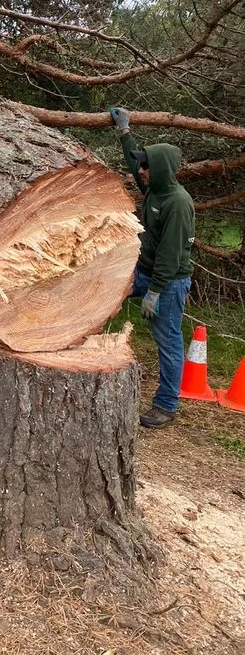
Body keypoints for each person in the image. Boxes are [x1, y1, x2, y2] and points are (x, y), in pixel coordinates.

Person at [110, 106, 195, 429]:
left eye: (147, 166)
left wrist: (154, 292)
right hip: (143, 272)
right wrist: (124, 131)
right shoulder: (154, 189)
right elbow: (134, 165)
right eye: (143, 166)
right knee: (103, 292)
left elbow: (172, 256)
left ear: (159, 169)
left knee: (168, 338)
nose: (141, 170)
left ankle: (166, 405)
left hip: (169, 282)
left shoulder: (177, 203)